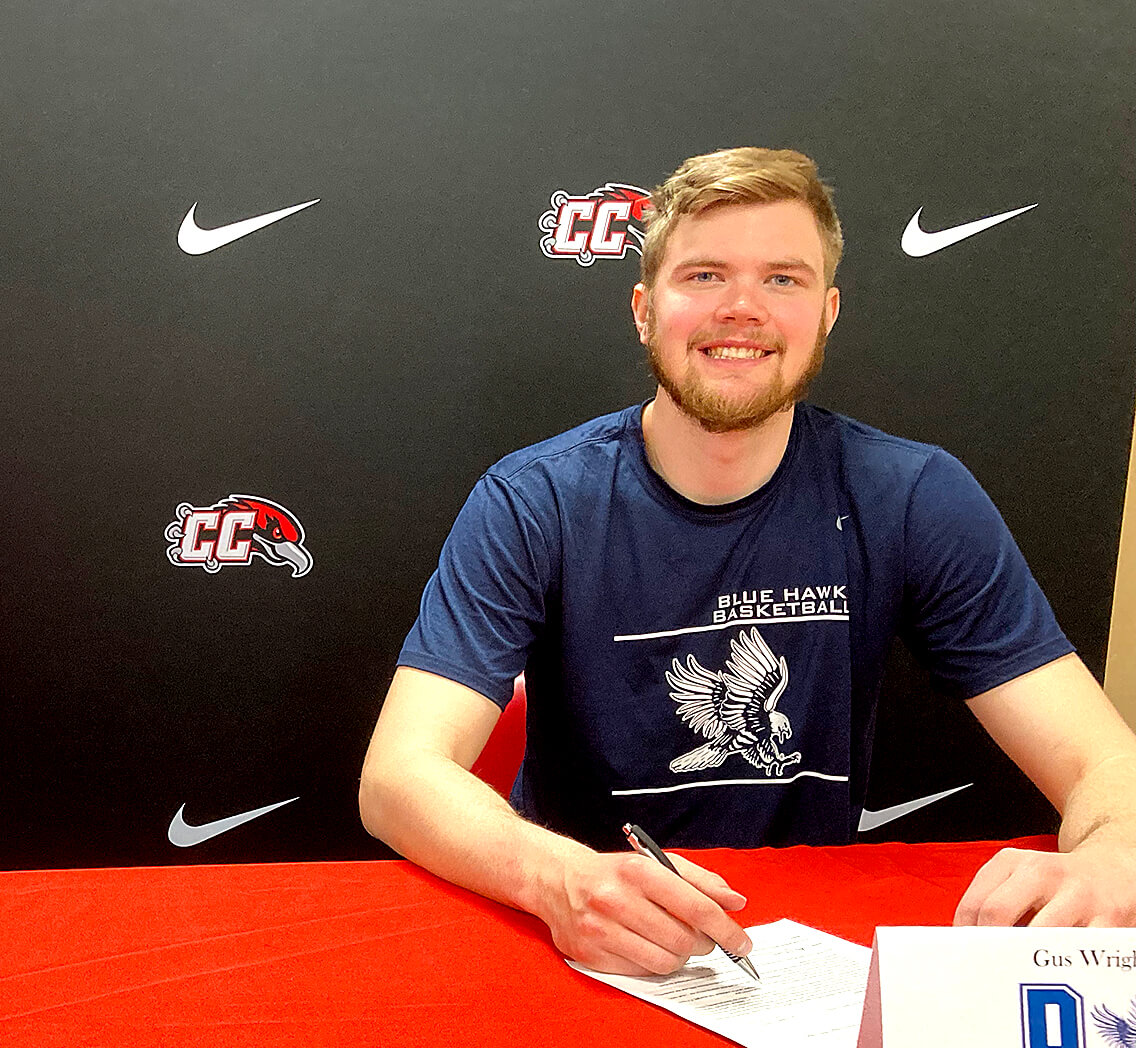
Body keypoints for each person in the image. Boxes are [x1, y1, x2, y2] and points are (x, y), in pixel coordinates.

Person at [359, 147, 1136, 976]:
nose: (741, 308)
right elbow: (398, 775)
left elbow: (1101, 763)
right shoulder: (536, 499)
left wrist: (1113, 858)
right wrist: (563, 881)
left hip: (806, 950)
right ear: (643, 310)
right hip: (586, 937)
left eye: (783, 279)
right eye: (702, 276)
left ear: (827, 310)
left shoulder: (909, 494)